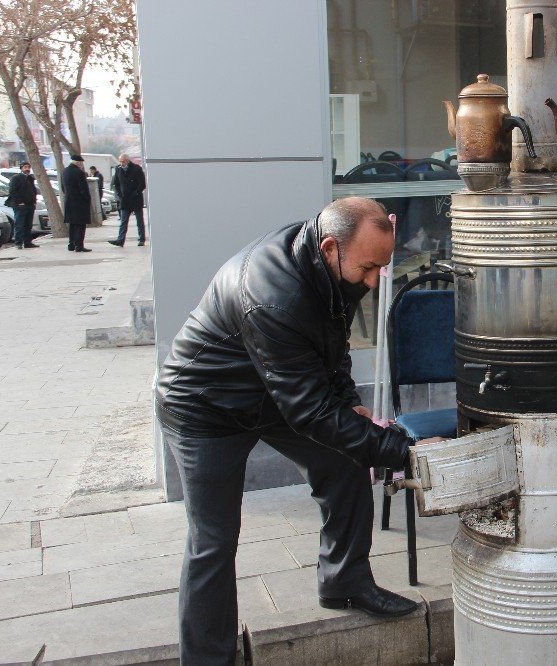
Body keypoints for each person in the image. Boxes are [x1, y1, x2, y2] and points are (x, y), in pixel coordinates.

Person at [157, 197, 442, 664]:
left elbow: (334, 348)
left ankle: (344, 581)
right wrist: (404, 451)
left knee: (347, 459)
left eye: (381, 268)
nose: (374, 282)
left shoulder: (330, 268)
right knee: (213, 539)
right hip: (203, 405)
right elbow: (309, 412)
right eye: (369, 268)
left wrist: (351, 403)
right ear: (331, 247)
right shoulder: (275, 294)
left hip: (270, 390)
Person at [109, 154, 146, 247]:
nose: (122, 163)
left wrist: (135, 193)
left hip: (135, 199)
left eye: (123, 161)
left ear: (128, 161)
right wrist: (119, 194)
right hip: (124, 200)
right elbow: (116, 184)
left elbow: (142, 184)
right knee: (123, 221)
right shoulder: (118, 169)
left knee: (139, 221)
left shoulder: (136, 169)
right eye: (120, 161)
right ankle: (120, 240)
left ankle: (141, 239)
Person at [62, 155, 92, 252]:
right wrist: (87, 199)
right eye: (82, 163)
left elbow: (63, 187)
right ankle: (79, 246)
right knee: (80, 224)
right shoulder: (79, 172)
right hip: (79, 202)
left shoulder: (64, 171)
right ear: (79, 163)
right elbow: (83, 189)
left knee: (72, 224)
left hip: (69, 201)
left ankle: (71, 244)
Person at [5, 162, 39, 249]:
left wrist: (34, 201)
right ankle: (18, 243)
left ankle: (27, 242)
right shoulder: (16, 178)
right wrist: (20, 202)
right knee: (19, 224)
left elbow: (33, 190)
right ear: (21, 168)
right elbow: (13, 191)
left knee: (28, 224)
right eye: (25, 167)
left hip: (30, 204)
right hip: (20, 206)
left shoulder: (30, 178)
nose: (27, 169)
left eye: (28, 167)